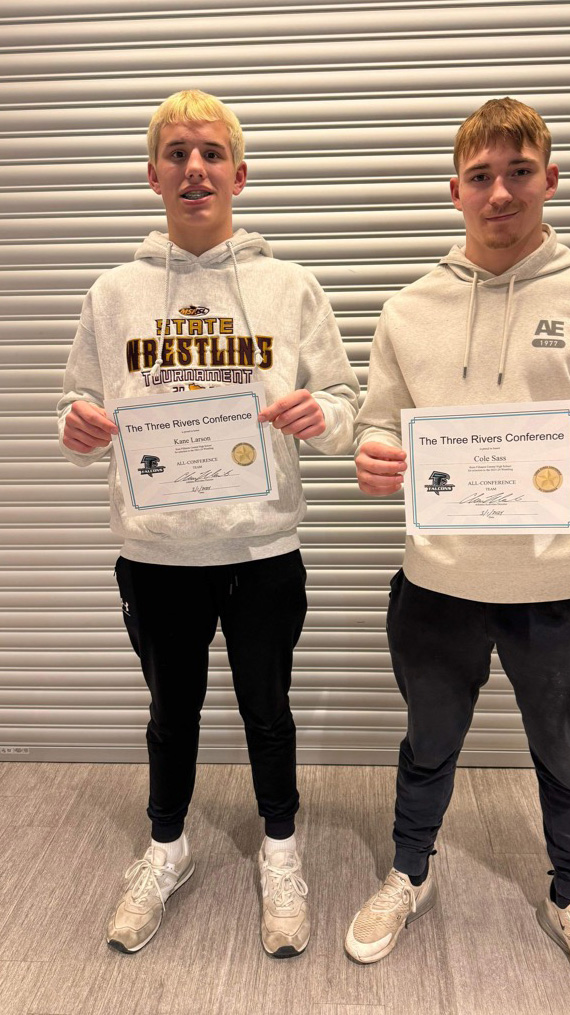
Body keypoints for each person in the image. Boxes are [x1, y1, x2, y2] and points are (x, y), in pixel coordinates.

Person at [345, 97, 570, 1011]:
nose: (501, 193)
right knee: (428, 743)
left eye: (519, 172)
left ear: (550, 179)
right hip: (437, 586)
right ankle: (410, 870)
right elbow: (377, 424)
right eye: (482, 176)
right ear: (455, 190)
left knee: (568, 757)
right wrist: (374, 457)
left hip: (563, 587)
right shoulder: (407, 307)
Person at [57, 90, 359, 958]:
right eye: (178, 153)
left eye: (212, 152)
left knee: (269, 708)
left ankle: (280, 849)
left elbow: (344, 404)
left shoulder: (289, 285)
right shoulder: (113, 293)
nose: (196, 168)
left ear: (240, 171)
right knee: (170, 710)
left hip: (263, 545)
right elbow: (79, 400)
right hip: (155, 550)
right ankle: (167, 849)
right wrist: (73, 425)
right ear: (152, 174)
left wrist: (322, 420)